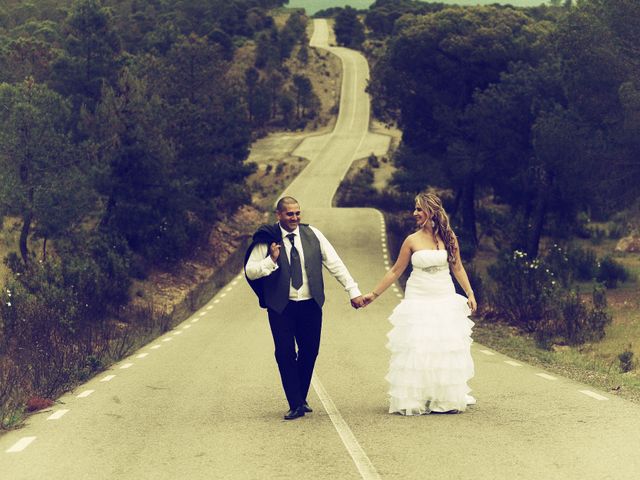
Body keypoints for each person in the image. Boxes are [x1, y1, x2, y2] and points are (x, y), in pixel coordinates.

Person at [245, 196, 365, 420]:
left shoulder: (313, 235)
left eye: (297, 213)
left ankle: (299, 397)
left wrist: (353, 290)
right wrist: (271, 260)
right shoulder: (267, 239)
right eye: (290, 214)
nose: (295, 218)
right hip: (282, 307)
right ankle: (296, 403)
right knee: (285, 353)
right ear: (279, 215)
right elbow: (251, 271)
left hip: (310, 304)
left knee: (310, 351)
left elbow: (334, 263)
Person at [362, 192, 477, 415]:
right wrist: (373, 295)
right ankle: (415, 396)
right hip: (418, 296)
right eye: (415, 209)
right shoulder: (411, 240)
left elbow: (458, 267)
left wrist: (470, 293)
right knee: (418, 344)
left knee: (443, 344)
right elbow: (396, 270)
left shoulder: (449, 238)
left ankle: (444, 398)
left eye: (418, 209)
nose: (414, 213)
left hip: (444, 294)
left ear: (430, 211)